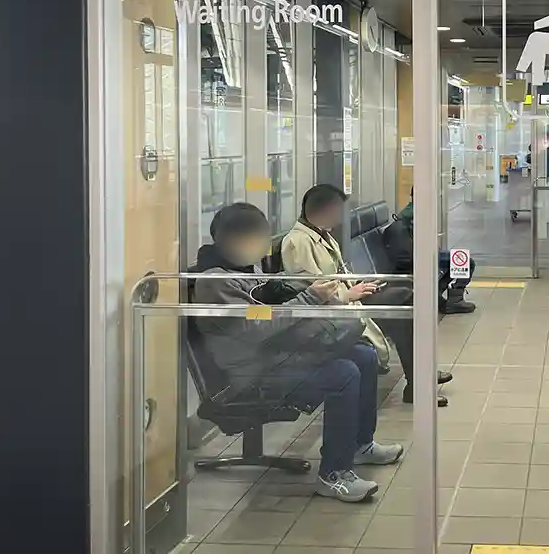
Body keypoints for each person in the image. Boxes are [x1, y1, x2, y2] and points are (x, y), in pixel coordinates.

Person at [193, 203, 403, 502]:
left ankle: (360, 445)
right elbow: (258, 326)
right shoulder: (215, 283)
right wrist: (308, 297)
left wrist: (304, 290)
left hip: (276, 357)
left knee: (362, 355)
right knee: (342, 374)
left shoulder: (246, 269)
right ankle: (333, 475)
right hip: (249, 375)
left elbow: (269, 310)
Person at [282, 184, 451, 406]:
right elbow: (312, 288)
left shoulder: (322, 235)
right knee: (404, 305)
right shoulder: (298, 242)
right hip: (334, 309)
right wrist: (350, 294)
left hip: (350, 296)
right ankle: (418, 381)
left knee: (407, 296)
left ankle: (419, 378)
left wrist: (361, 283)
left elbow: (339, 271)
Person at [384, 188, 476, 314]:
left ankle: (436, 296)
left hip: (417, 258)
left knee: (457, 259)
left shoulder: (408, 212)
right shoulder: (417, 214)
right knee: (467, 262)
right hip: (419, 260)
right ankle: (452, 299)